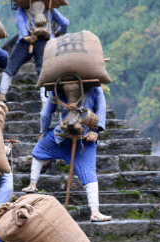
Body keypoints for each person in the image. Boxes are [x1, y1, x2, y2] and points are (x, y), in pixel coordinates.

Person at [22, 84, 112, 222]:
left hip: (60, 136)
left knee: (40, 149)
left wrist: (45, 132)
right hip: (85, 138)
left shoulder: (57, 86)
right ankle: (95, 212)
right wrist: (95, 131)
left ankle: (32, 185)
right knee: (89, 173)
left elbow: (45, 114)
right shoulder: (94, 87)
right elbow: (101, 107)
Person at [0, 3, 69, 105]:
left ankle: (2, 95)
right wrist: (59, 34)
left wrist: (26, 36)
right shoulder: (49, 8)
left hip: (26, 42)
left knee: (10, 65)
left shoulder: (23, 8)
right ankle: (44, 102)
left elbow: (20, 21)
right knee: (43, 70)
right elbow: (65, 23)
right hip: (44, 41)